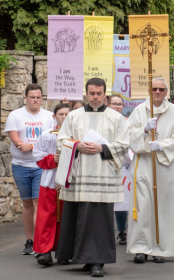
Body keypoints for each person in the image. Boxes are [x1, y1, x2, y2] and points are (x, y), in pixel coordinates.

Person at [56, 78, 129, 277]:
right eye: (92, 93)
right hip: (79, 175)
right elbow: (61, 140)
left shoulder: (116, 118)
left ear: (105, 94)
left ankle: (98, 261)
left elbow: (124, 145)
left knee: (99, 220)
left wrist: (102, 147)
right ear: (86, 94)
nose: (95, 97)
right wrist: (76, 146)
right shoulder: (73, 116)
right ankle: (80, 258)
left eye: (99, 94)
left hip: (103, 176)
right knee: (76, 214)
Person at [127, 77, 174, 264]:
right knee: (143, 205)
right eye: (154, 89)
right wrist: (144, 130)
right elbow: (128, 135)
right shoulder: (139, 111)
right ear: (149, 91)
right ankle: (141, 248)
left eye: (161, 89)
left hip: (164, 165)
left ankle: (161, 248)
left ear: (166, 92)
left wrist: (162, 145)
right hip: (144, 163)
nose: (158, 92)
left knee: (164, 206)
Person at [4, 83, 55, 255]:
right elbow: (17, 141)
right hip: (21, 166)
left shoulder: (49, 117)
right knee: (27, 203)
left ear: (42, 98)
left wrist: (32, 147)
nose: (35, 100)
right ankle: (29, 240)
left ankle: (40, 244)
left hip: (41, 166)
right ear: (25, 97)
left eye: (38, 97)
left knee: (37, 202)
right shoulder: (15, 115)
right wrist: (26, 145)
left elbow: (51, 141)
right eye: (32, 97)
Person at [33, 103, 71, 266]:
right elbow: (37, 153)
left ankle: (64, 252)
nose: (64, 117)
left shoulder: (75, 136)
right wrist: (51, 159)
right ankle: (44, 251)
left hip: (68, 183)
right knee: (46, 217)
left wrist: (64, 179)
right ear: (54, 116)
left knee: (66, 218)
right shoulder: (47, 134)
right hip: (49, 182)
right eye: (61, 114)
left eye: (67, 114)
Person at [107, 95, 129, 246]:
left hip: (126, 163)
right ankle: (107, 231)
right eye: (114, 104)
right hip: (108, 161)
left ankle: (122, 231)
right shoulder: (103, 121)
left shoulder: (128, 122)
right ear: (108, 105)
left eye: (119, 104)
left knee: (124, 198)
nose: (117, 107)